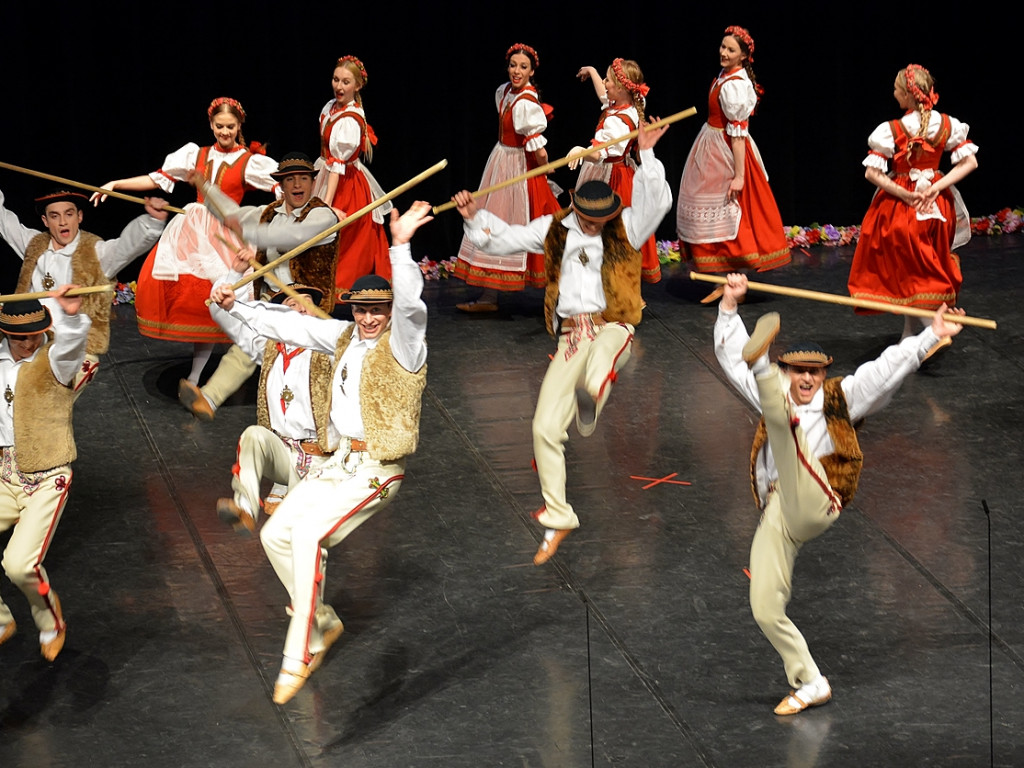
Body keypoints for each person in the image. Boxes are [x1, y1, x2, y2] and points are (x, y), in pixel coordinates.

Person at [208, 200, 432, 705]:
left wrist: (400, 248)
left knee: (308, 535)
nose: (369, 318)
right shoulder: (345, 336)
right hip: (338, 464)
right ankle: (322, 622)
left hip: (377, 468)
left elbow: (413, 310)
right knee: (275, 534)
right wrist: (235, 303)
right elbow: (291, 326)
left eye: (377, 310)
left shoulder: (405, 346)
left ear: (389, 311)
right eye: (362, 309)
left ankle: (296, 654)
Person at [714, 273, 965, 715]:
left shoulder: (840, 398)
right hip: (780, 512)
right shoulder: (778, 396)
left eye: (814, 371)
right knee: (764, 606)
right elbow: (734, 362)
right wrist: (730, 307)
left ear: (824, 374)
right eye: (798, 371)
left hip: (817, 497)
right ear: (788, 373)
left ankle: (761, 367)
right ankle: (811, 681)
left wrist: (931, 335)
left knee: (784, 428)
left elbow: (886, 368)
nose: (807, 377)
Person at [453, 119, 671, 565]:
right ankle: (558, 513)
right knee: (543, 427)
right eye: (588, 221)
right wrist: (474, 216)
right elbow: (505, 239)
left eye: (600, 222)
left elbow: (657, 200)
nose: (594, 228)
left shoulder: (627, 227)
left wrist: (647, 153)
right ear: (575, 209)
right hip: (572, 335)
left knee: (600, 363)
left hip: (613, 326)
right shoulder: (553, 229)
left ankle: (590, 400)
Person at [91, 97, 280, 387]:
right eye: (219, 126)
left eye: (230, 127)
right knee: (201, 306)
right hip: (195, 233)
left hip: (228, 234)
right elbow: (158, 178)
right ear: (211, 125)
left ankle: (257, 368)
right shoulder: (196, 154)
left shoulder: (249, 161)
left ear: (239, 126)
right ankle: (195, 376)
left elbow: (281, 187)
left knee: (236, 305)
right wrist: (116, 184)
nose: (225, 132)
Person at [177, 152, 339, 421]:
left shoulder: (323, 216)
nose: (297, 184)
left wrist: (248, 232)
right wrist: (205, 187)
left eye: (303, 178)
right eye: (290, 179)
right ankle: (209, 399)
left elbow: (293, 236)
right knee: (246, 333)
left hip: (307, 303)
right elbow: (232, 215)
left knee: (263, 343)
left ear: (312, 182)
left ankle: (212, 398)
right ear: (281, 185)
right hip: (272, 301)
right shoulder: (269, 214)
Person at [847, 63, 978, 350]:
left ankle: (932, 329)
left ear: (907, 95)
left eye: (896, 90)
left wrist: (905, 194)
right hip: (937, 204)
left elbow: (872, 173)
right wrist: (938, 187)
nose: (893, 94)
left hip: (904, 207)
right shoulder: (946, 123)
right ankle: (909, 332)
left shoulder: (892, 129)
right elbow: (970, 162)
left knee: (910, 268)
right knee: (916, 268)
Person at [0, 286, 91, 661]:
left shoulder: (54, 361)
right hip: (4, 473)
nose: (28, 344)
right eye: (19, 338)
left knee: (19, 564)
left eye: (34, 335)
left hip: (46, 476)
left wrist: (69, 317)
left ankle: (51, 622)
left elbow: (71, 346)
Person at [0, 186, 167, 390]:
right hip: (33, 337)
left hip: (71, 347)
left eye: (69, 214)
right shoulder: (34, 245)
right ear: (45, 221)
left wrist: (152, 221)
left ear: (79, 216)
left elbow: (126, 247)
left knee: (43, 393)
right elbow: (5, 222)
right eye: (54, 216)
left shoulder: (94, 253)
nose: (63, 222)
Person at [675, 26, 790, 300]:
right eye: (723, 46)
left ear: (744, 56)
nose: (724, 52)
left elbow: (738, 136)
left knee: (729, 210)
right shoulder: (725, 76)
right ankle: (723, 277)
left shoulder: (736, 84)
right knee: (708, 207)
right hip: (711, 143)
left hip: (725, 151)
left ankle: (731, 278)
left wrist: (739, 176)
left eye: (731, 49)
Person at [209, 284, 331, 526]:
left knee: (296, 529)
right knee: (253, 435)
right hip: (284, 455)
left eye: (307, 302)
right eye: (292, 304)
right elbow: (228, 317)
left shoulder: (329, 347)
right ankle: (245, 508)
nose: (301, 308)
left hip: (319, 460)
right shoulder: (268, 348)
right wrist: (232, 282)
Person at [453, 43, 562, 312]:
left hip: (521, 169)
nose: (517, 71)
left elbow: (538, 147)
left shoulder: (526, 102)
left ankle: (565, 294)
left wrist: (545, 166)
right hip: (501, 161)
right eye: (513, 65)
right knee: (494, 220)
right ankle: (489, 296)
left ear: (532, 71)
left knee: (534, 223)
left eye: (523, 67)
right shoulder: (504, 92)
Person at [569, 58, 660, 284]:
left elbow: (600, 153)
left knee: (609, 234)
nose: (604, 83)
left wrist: (581, 152)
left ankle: (617, 289)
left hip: (611, 178)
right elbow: (603, 95)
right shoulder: (629, 103)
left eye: (607, 80)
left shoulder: (618, 122)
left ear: (620, 88)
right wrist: (592, 71)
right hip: (619, 171)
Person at [313, 55, 392, 300]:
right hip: (327, 172)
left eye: (346, 82)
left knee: (343, 236)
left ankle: (342, 288)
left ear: (357, 86)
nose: (339, 86)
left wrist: (325, 203)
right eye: (336, 79)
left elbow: (338, 163)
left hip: (345, 183)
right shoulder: (331, 107)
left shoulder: (350, 119)